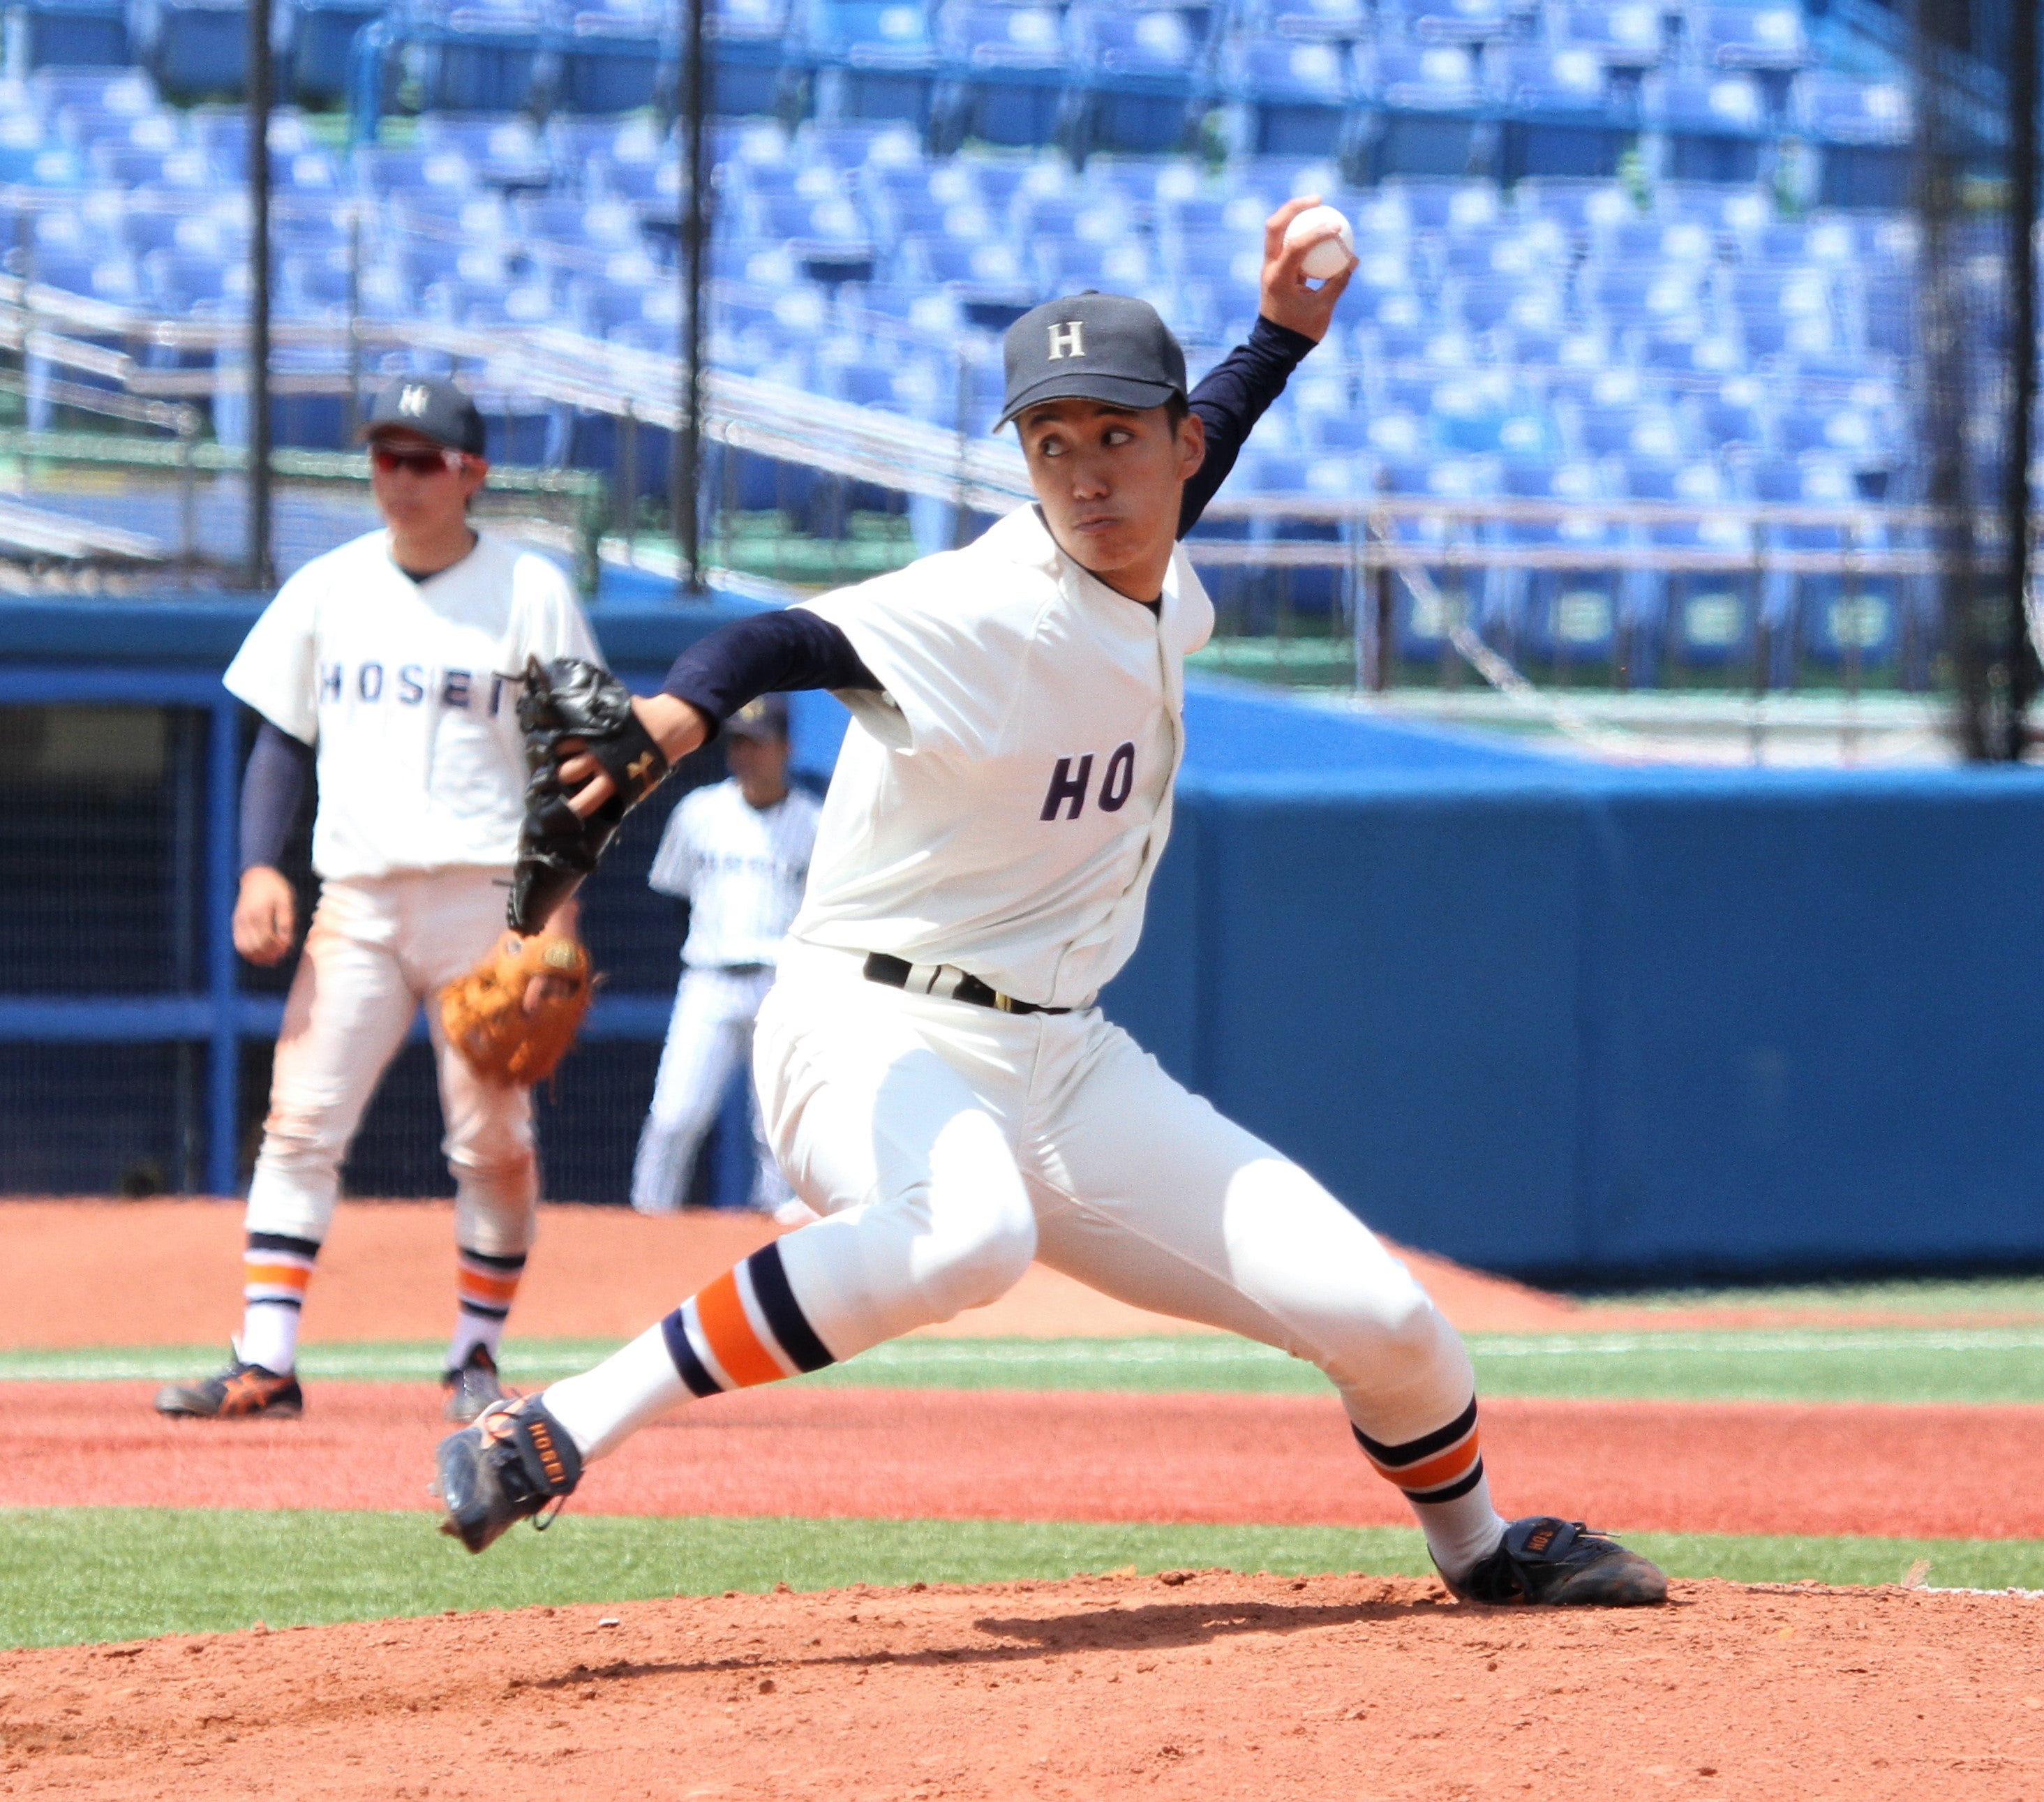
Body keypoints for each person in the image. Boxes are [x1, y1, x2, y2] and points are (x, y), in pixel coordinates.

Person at [434, 204, 1666, 1607]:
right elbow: (786, 638)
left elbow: (1196, 456)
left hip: (1064, 1060)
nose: (1084, 474)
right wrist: (676, 710)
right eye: (1049, 443)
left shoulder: (1154, 557)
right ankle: (552, 1425)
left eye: (1115, 435)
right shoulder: (985, 607)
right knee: (970, 1234)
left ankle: (1480, 1551)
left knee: (1389, 1322)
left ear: (1177, 444)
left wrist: (1281, 338)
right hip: (863, 1023)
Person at [155, 378, 601, 1427]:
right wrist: (262, 868)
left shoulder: (530, 590)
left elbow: (580, 763)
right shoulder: (327, 585)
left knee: (490, 1140)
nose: (396, 477)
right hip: (355, 896)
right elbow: (281, 741)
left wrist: (559, 911)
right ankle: (265, 1359)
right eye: (383, 457)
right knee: (300, 1123)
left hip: (488, 901)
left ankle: (476, 1356)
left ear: (471, 474)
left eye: (420, 459)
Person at [632, 692, 821, 1222]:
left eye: (758, 744)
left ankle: (772, 1229)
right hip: (709, 977)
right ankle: (647, 1221)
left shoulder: (816, 823)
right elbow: (675, 896)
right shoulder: (697, 813)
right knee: (674, 1115)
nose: (746, 754)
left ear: (784, 748)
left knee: (776, 1129)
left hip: (781, 986)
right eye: (738, 742)